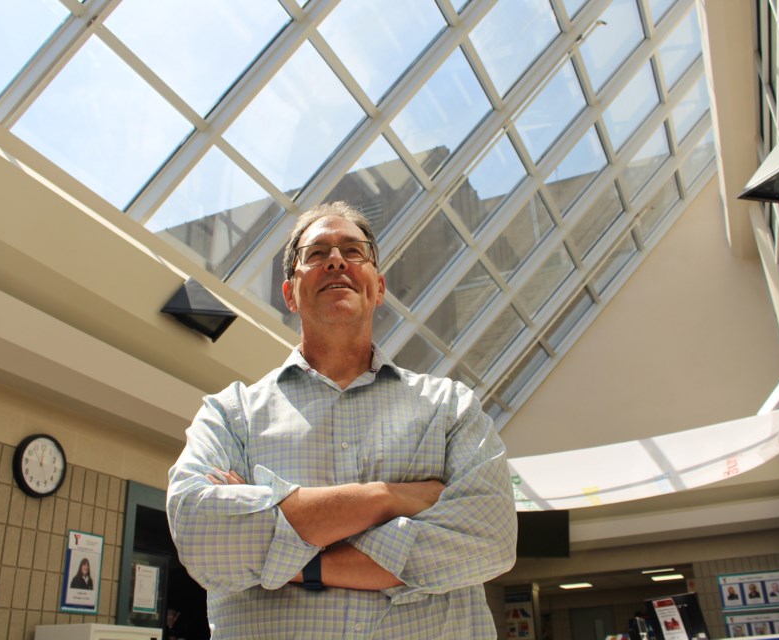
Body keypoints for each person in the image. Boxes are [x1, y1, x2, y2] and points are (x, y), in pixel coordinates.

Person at [167, 202, 518, 639]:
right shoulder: (230, 413)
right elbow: (200, 535)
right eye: (316, 254)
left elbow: (490, 541)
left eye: (354, 251)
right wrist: (386, 498)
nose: (336, 259)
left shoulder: (450, 408)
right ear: (290, 293)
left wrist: (291, 557)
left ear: (379, 286)